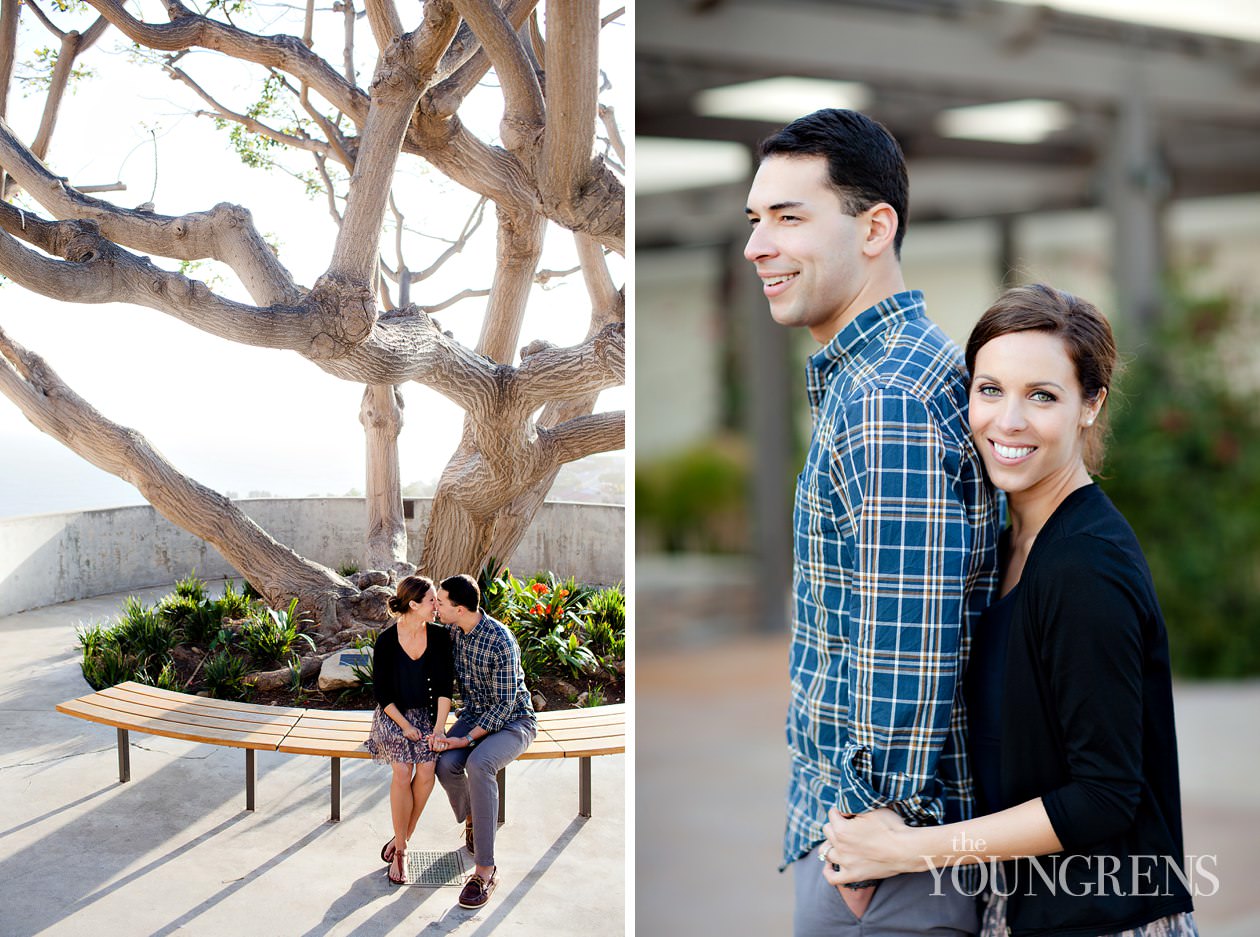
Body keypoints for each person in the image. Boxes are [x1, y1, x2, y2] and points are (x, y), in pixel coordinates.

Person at [821, 284, 1198, 937]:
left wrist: (908, 850)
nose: (1009, 420)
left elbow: (1105, 795)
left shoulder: (1086, 568)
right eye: (990, 389)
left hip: (1105, 920)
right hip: (1028, 912)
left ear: (1091, 404)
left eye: (1042, 395)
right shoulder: (1008, 542)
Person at [744, 107, 1000, 934]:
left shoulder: (886, 398)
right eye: (756, 220)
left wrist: (863, 836)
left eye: (790, 217)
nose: (758, 246)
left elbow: (909, 637)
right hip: (891, 852)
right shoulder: (899, 373)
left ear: (874, 228)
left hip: (886, 860)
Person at [430, 573, 536, 910]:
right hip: (475, 714)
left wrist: (466, 740)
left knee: (478, 764)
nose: (437, 608)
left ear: (460, 609)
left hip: (514, 721)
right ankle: (476, 816)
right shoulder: (454, 632)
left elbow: (505, 706)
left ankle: (486, 870)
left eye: (441, 604)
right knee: (444, 764)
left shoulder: (500, 640)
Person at [365, 574, 454, 886]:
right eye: (431, 600)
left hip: (429, 716)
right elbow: (382, 695)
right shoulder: (387, 641)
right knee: (402, 772)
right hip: (394, 717)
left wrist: (439, 730)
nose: (436, 605)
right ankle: (402, 850)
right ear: (414, 604)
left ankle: (402, 836)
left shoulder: (441, 638)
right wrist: (405, 727)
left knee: (427, 769)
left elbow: (444, 688)